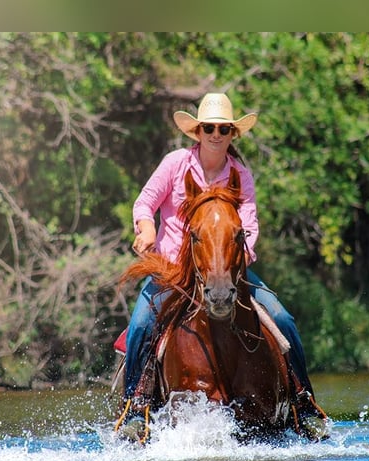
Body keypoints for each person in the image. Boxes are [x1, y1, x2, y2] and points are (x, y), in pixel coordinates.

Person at [120, 92, 325, 436]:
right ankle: (134, 410)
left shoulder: (240, 175)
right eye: (210, 127)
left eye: (224, 129)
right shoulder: (175, 164)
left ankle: (303, 403)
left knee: (282, 318)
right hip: (174, 271)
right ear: (198, 131)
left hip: (228, 270)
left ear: (233, 134)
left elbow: (250, 225)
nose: (216, 134)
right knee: (141, 324)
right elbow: (145, 203)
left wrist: (233, 263)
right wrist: (147, 228)